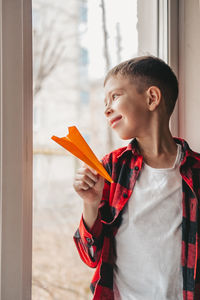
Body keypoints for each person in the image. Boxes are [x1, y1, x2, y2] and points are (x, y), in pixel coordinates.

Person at [73, 56, 200, 300]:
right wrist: (90, 203)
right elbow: (90, 257)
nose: (106, 108)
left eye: (115, 96)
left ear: (152, 98)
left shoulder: (197, 171)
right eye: (105, 101)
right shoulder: (111, 168)